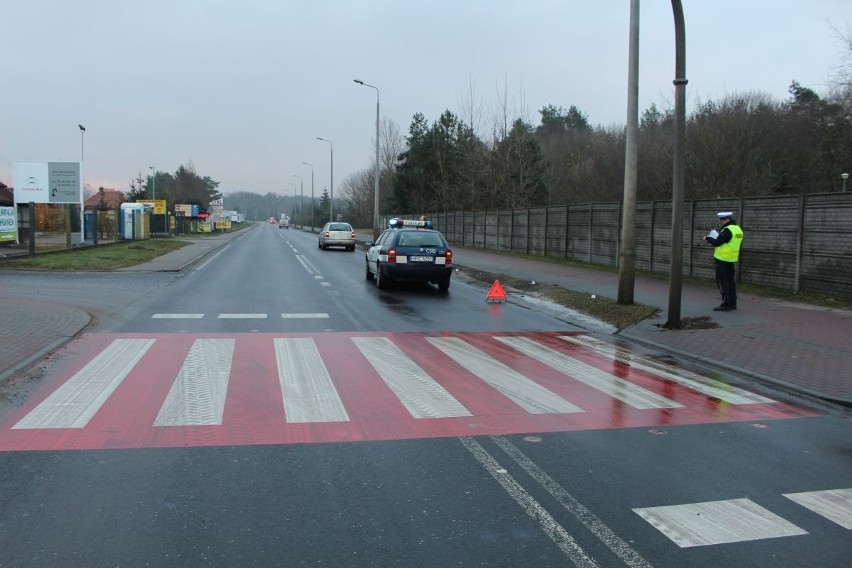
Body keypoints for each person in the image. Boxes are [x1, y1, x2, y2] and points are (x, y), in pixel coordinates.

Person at [703, 211, 744, 311]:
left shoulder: (727, 230)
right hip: (731, 259)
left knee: (722, 281)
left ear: (727, 220)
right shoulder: (738, 229)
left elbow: (717, 242)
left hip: (721, 259)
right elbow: (729, 242)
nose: (721, 222)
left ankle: (726, 303)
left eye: (722, 220)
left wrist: (708, 238)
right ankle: (733, 302)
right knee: (730, 281)